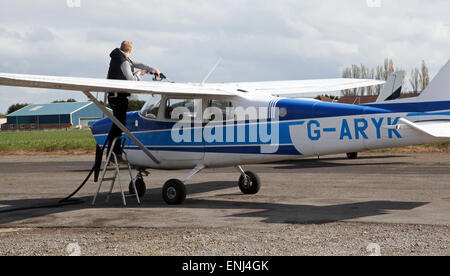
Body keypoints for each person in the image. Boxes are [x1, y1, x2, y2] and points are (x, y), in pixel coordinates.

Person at [106, 41, 160, 159]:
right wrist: (139, 73)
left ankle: (112, 153)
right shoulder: (123, 61)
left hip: (115, 96)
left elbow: (136, 63)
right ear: (130, 51)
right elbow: (131, 80)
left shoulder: (120, 58)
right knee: (119, 125)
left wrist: (151, 69)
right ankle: (114, 153)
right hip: (118, 97)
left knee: (118, 125)